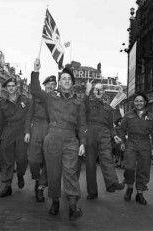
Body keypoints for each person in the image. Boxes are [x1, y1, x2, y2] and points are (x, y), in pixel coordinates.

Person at [31, 58, 86, 221]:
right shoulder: (50, 97)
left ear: (72, 83)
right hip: (53, 136)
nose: (66, 81)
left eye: (69, 79)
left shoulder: (78, 102)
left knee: (70, 172)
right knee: (53, 173)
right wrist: (36, 71)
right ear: (59, 83)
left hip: (70, 139)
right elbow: (35, 90)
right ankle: (55, 201)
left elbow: (82, 124)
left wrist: (82, 142)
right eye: (64, 79)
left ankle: (73, 205)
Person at [83, 80, 124, 200]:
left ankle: (112, 183)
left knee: (107, 157)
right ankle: (92, 192)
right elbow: (82, 106)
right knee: (90, 164)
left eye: (101, 89)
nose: (99, 91)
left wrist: (114, 135)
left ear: (104, 92)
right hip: (90, 132)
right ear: (93, 91)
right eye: (96, 89)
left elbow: (111, 125)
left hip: (105, 133)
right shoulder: (88, 103)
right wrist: (87, 91)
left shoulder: (108, 107)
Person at [118, 92, 153, 205]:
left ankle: (139, 193)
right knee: (129, 167)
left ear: (145, 102)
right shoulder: (128, 115)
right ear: (134, 102)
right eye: (136, 101)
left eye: (141, 101)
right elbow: (121, 130)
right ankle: (130, 187)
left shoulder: (151, 116)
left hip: (145, 143)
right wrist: (122, 141)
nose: (139, 103)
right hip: (131, 142)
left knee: (143, 168)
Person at [0, 77, 30, 197]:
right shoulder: (2, 104)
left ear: (17, 87)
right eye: (8, 86)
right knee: (7, 161)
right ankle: (7, 186)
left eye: (13, 85)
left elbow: (29, 118)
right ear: (6, 88)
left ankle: (20, 174)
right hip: (8, 132)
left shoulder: (25, 100)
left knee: (22, 159)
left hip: (21, 132)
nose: (11, 88)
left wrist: (27, 132)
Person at [24, 75, 56, 202]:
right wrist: (27, 131)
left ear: (55, 87)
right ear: (44, 86)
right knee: (33, 159)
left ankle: (40, 187)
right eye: (48, 85)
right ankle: (37, 178)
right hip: (36, 127)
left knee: (48, 160)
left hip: (50, 127)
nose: (50, 87)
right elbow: (28, 116)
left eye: (53, 85)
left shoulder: (56, 99)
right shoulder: (36, 98)